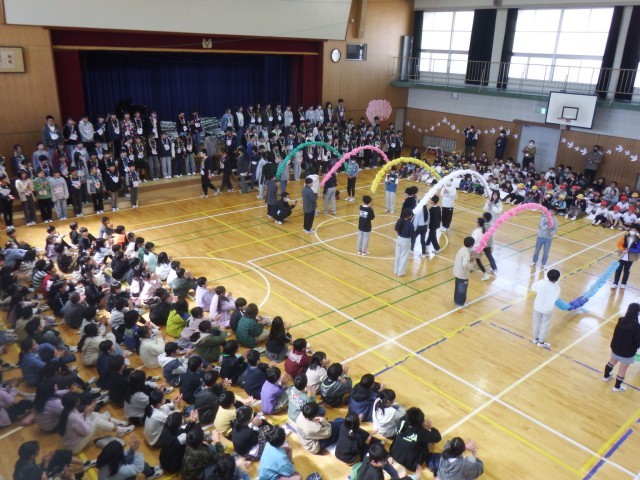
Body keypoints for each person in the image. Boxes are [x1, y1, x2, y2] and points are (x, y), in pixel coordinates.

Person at [389, 407, 441, 472]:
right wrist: (431, 427)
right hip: (411, 464)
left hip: (394, 454)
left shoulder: (402, 421)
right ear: (421, 421)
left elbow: (407, 417)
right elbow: (438, 437)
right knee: (428, 442)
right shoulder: (422, 432)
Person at [603, 303, 640, 392]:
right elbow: (638, 342)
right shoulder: (637, 327)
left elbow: (615, 333)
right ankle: (617, 387)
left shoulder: (621, 320)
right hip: (627, 352)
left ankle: (606, 376)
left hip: (615, 348)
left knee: (611, 362)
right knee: (622, 370)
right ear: (637, 313)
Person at [96, 435, 162, 480]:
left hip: (114, 476)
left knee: (132, 458)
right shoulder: (120, 471)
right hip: (118, 475)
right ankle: (151, 474)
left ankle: (150, 471)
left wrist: (132, 449)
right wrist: (136, 451)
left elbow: (123, 455)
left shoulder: (104, 459)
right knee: (136, 461)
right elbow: (139, 467)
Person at [530, 269, 561, 348]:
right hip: (548, 309)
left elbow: (533, 288)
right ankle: (541, 342)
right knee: (545, 325)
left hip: (537, 306)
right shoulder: (557, 288)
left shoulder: (541, 282)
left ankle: (535, 339)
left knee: (536, 323)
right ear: (557, 278)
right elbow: (556, 299)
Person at [612, 225, 640, 289]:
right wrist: (622, 249)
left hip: (630, 258)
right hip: (622, 256)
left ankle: (623, 283)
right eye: (631, 230)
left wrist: (629, 249)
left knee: (626, 271)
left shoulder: (638, 240)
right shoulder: (625, 237)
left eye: (634, 230)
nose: (632, 231)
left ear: (637, 231)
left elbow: (638, 249)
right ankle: (615, 283)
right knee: (618, 269)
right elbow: (619, 244)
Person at [453, 237, 475, 307]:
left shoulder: (462, 249)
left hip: (457, 272)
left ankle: (456, 301)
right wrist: (472, 263)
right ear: (471, 245)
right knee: (462, 289)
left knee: (457, 287)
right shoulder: (467, 253)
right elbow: (465, 264)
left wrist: (470, 258)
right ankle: (460, 303)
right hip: (462, 274)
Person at [394, 209, 414, 277]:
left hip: (399, 238)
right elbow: (412, 234)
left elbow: (396, 229)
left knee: (397, 255)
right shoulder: (410, 224)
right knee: (404, 256)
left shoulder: (399, 220)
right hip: (406, 240)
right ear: (410, 216)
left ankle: (396, 271)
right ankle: (400, 272)